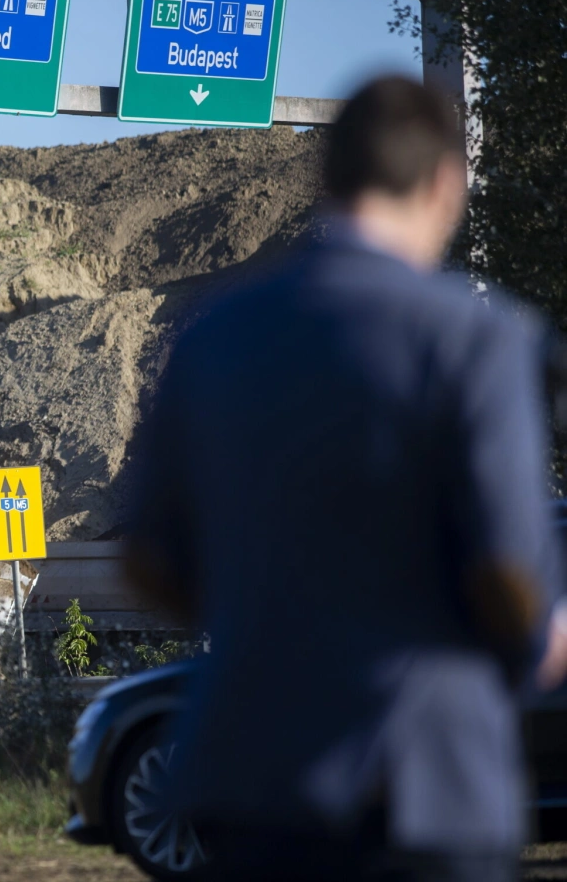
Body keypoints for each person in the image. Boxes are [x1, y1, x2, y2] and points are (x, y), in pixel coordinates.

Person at [126, 75, 566, 880]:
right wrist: (539, 640)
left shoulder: (210, 338)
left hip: (247, 779)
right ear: (444, 184)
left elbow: (149, 559)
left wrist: (269, 625)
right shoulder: (478, 338)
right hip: (424, 787)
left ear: (327, 181)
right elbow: (508, 569)